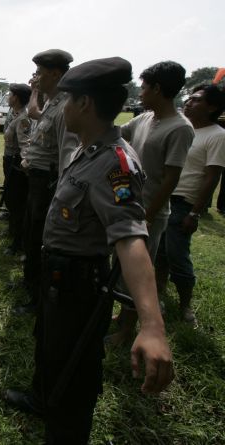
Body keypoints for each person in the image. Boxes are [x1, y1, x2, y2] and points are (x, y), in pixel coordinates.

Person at [3, 56, 174, 444]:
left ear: (83, 104)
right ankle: (43, 399)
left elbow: (131, 239)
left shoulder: (115, 164)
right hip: (57, 276)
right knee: (49, 348)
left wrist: (151, 324)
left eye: (68, 99)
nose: (61, 108)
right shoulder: (89, 149)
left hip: (78, 286)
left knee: (74, 374)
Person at [108, 61, 194, 345]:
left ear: (158, 88)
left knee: (137, 273)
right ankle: (122, 316)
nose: (141, 93)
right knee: (119, 265)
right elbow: (119, 133)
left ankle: (126, 331)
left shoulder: (180, 128)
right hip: (126, 205)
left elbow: (171, 177)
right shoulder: (146, 118)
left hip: (148, 214)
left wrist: (148, 213)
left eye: (144, 88)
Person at [15, 49, 79, 314]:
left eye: (40, 73)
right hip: (37, 182)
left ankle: (38, 299)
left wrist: (60, 194)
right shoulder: (52, 103)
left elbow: (66, 155)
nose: (36, 78)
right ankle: (30, 284)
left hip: (49, 184)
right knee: (31, 234)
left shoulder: (65, 107)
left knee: (41, 239)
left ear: (55, 73)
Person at [156, 84, 225, 323]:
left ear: (213, 107)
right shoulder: (182, 129)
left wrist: (195, 213)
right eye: (189, 98)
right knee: (159, 253)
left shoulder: (217, 135)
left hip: (183, 203)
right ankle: (159, 295)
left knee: (177, 256)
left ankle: (186, 307)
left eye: (196, 100)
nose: (188, 102)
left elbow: (212, 176)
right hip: (163, 197)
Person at [2, 83, 32, 254]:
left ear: (17, 97)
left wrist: (24, 166)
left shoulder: (23, 118)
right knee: (10, 199)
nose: (8, 96)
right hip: (9, 160)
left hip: (16, 163)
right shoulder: (14, 114)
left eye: (11, 94)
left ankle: (18, 243)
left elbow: (25, 145)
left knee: (17, 202)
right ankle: (13, 233)